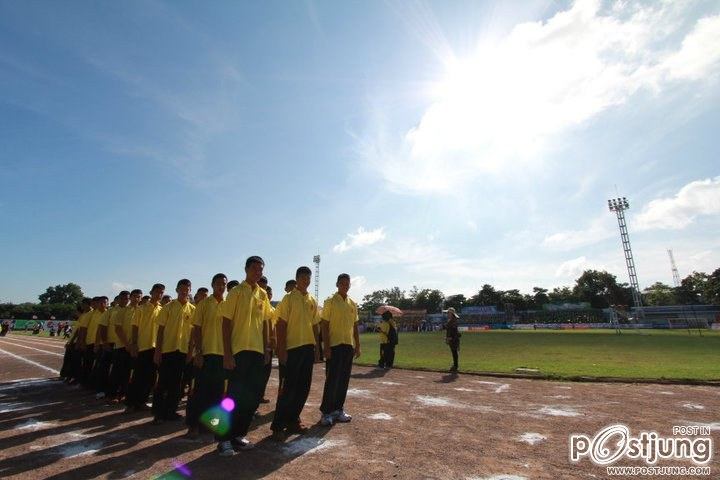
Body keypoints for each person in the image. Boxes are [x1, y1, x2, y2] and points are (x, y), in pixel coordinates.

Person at [217, 257, 273, 456]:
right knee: (232, 397)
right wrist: (227, 353)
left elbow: (266, 322)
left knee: (251, 397)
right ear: (246, 269)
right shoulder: (235, 292)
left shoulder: (262, 294)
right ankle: (223, 439)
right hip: (238, 352)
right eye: (255, 269)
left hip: (257, 352)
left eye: (261, 269)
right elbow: (225, 323)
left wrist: (266, 349)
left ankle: (239, 435)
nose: (258, 272)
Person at [270, 267, 320, 440]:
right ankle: (278, 425)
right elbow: (281, 324)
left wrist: (317, 348)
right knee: (287, 389)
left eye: (308, 278)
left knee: (303, 387)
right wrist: (281, 350)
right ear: (297, 279)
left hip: (307, 348)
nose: (306, 280)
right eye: (303, 277)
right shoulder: (288, 298)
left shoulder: (312, 299)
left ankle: (293, 420)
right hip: (292, 349)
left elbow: (315, 325)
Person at [185, 273, 227, 439]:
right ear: (212, 285)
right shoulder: (204, 304)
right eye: (218, 284)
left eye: (223, 284)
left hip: (222, 356)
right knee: (198, 392)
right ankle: (193, 425)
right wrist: (199, 352)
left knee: (218, 393)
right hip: (206, 354)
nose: (221, 286)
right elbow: (197, 329)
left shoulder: (228, 304)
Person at [319, 273, 361, 426]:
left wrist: (358, 345)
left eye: (347, 283)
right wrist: (326, 346)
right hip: (335, 345)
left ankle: (338, 409)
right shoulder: (330, 301)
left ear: (349, 285)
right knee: (332, 379)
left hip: (348, 345)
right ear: (337, 284)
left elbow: (355, 326)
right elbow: (324, 325)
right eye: (342, 283)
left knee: (344, 379)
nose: (344, 285)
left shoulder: (352, 303)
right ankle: (326, 412)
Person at [152, 279, 195, 423]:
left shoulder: (193, 310)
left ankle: (170, 411)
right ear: (177, 290)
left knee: (177, 385)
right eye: (181, 289)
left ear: (190, 290)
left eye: (187, 289)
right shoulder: (168, 307)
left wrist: (190, 353)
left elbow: (194, 334)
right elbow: (160, 330)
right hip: (168, 350)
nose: (184, 291)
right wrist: (158, 351)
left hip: (183, 352)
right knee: (162, 383)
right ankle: (158, 413)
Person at [125, 283, 165, 413]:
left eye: (161, 292)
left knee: (150, 378)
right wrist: (134, 344)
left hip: (155, 348)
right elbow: (135, 327)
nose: (159, 295)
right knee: (137, 377)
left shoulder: (162, 309)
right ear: (151, 292)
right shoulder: (141, 308)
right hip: (142, 347)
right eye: (157, 292)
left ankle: (142, 401)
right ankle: (130, 404)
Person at [106, 290, 136, 403]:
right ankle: (112, 394)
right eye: (123, 299)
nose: (125, 301)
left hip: (133, 347)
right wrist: (127, 344)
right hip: (121, 346)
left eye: (127, 299)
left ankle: (123, 393)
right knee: (117, 371)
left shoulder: (138, 310)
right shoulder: (120, 312)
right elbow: (118, 329)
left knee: (128, 372)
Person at [258, 284, 274, 404]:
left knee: (265, 374)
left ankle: (260, 395)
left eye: (269, 293)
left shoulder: (273, 310)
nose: (267, 295)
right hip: (256, 345)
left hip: (268, 346)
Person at [445, 307, 461, 373]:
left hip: (454, 339)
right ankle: (455, 365)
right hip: (452, 339)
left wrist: (451, 337)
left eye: (448, 313)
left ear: (451, 313)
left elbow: (455, 331)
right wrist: (447, 337)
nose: (447, 314)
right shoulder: (451, 320)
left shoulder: (453, 321)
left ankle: (455, 366)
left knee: (454, 352)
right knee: (454, 352)